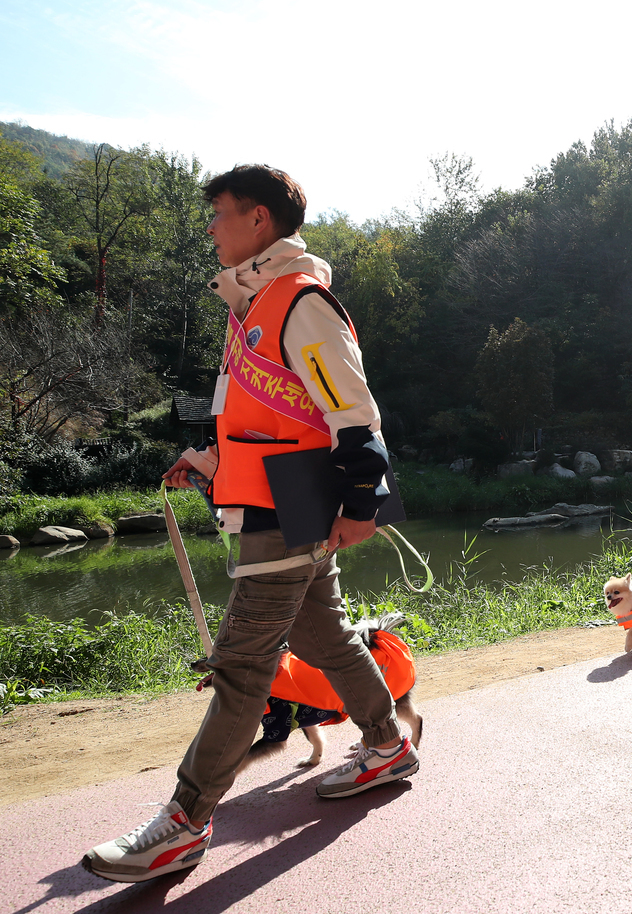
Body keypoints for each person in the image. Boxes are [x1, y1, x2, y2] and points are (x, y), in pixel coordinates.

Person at [83, 166, 416, 883]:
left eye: (219, 214)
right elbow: (272, 421)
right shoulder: (254, 306)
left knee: (240, 668)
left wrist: (362, 506)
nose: (210, 227)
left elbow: (355, 418)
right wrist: (207, 461)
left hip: (290, 517)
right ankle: (388, 744)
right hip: (272, 506)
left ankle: (184, 821)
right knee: (322, 632)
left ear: (259, 220)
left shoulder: (299, 305)